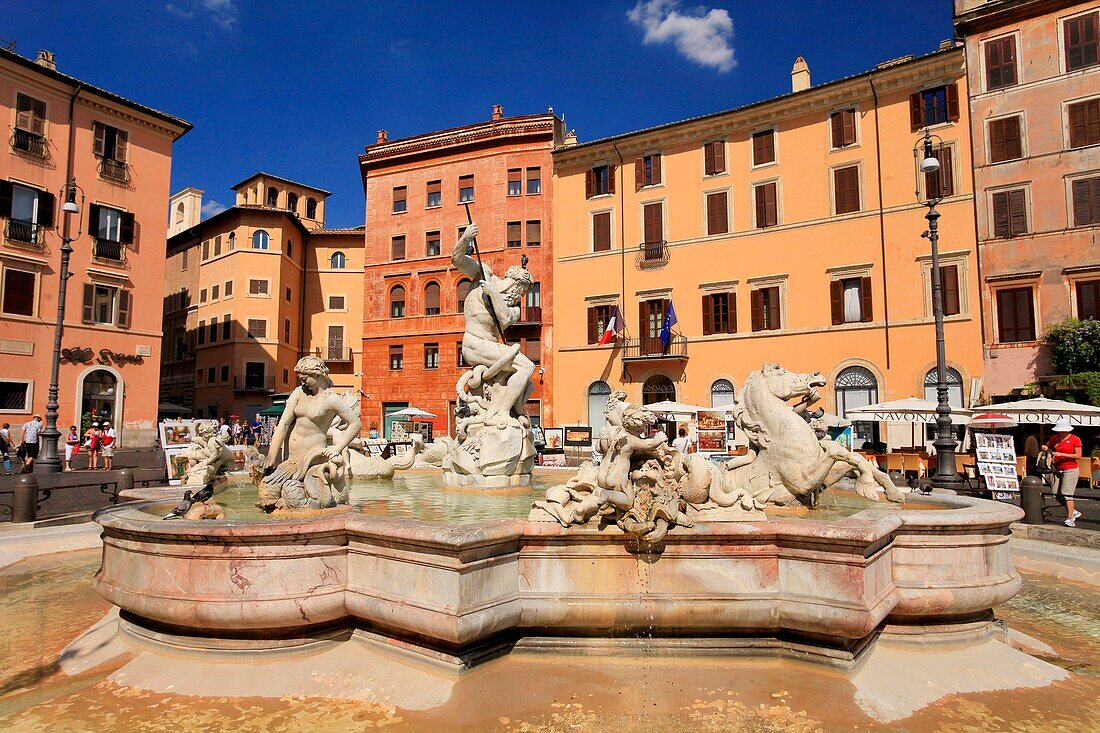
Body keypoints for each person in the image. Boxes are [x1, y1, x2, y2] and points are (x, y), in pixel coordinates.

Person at [451, 222, 535, 426]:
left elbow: (504, 318)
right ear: (516, 283)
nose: (521, 296)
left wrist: (495, 295)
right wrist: (465, 238)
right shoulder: (484, 274)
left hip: (490, 348)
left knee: (528, 383)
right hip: (474, 343)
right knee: (527, 366)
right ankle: (500, 415)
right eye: (522, 291)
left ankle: (513, 409)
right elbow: (458, 259)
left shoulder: (513, 309)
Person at [1045, 419, 1083, 527]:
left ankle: (1070, 518)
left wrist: (1061, 454)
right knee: (1055, 493)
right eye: (1059, 430)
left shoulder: (1075, 439)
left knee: (1067, 493)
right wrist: (1045, 447)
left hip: (1070, 468)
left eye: (1062, 430)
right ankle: (1073, 511)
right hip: (1057, 468)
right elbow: (1048, 444)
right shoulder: (1055, 438)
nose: (1060, 432)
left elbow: (1078, 455)